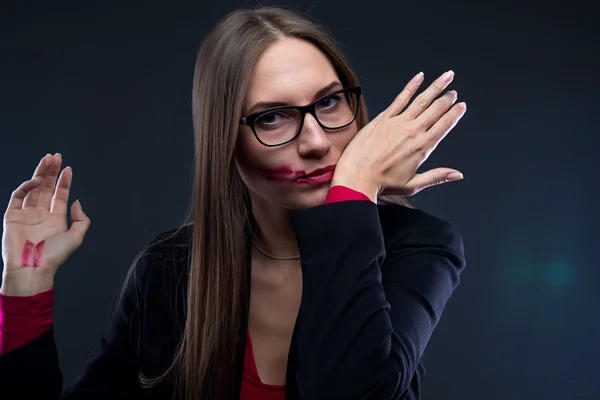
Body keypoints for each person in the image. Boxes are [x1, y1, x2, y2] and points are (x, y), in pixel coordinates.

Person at [0, 6, 467, 400]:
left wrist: (353, 193)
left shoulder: (418, 246)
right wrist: (26, 289)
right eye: (272, 116)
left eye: (329, 103)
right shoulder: (169, 270)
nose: (316, 142)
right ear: (226, 139)